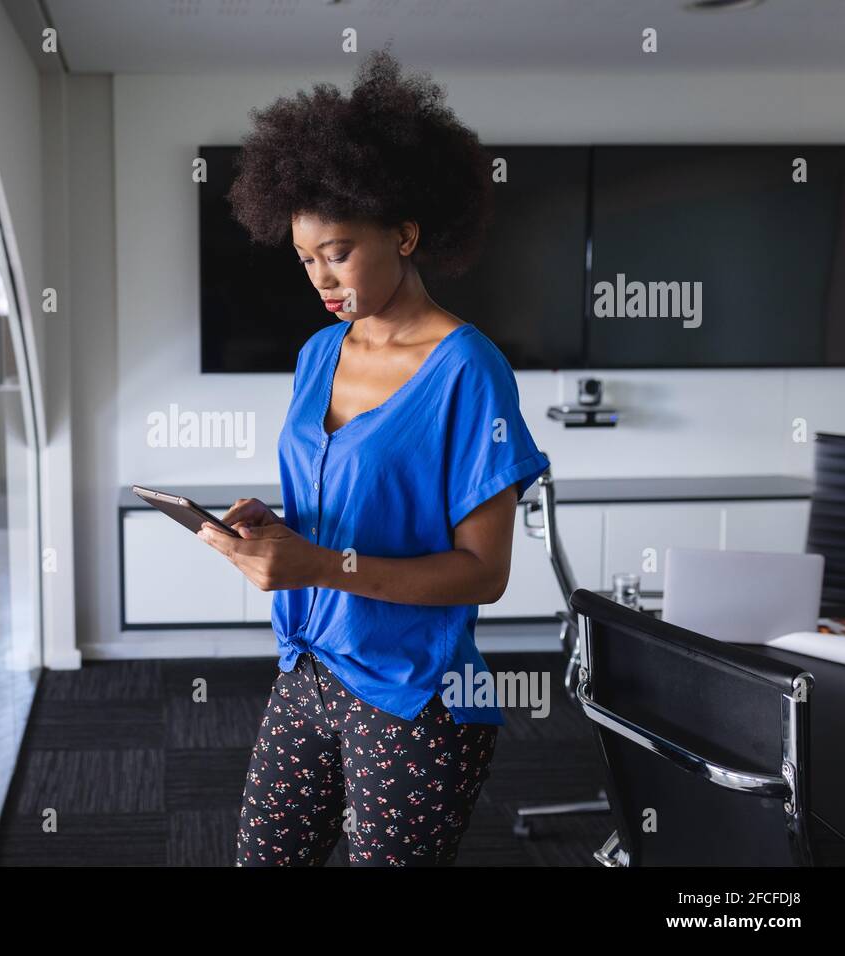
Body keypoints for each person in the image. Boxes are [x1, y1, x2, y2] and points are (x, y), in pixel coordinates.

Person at [197, 47, 550, 866]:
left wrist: (315, 563)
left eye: (340, 251)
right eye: (305, 258)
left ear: (406, 234)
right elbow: (348, 511)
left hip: (414, 697)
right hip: (307, 672)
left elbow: (482, 574)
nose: (321, 276)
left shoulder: (468, 369)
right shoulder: (319, 352)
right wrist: (275, 533)